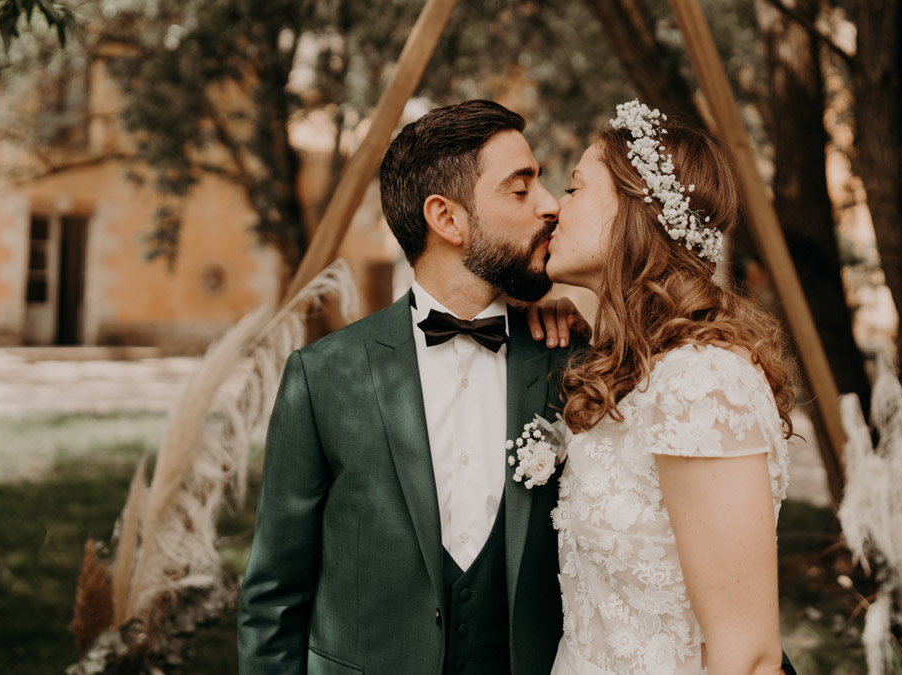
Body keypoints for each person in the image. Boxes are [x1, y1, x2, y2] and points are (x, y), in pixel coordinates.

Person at [238, 99, 577, 674]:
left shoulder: (569, 362)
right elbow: (274, 597)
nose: (550, 206)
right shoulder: (322, 377)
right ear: (447, 219)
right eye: (520, 190)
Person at [541, 100, 797, 675]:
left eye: (575, 188)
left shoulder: (702, 384)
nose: (555, 207)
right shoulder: (631, 372)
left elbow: (749, 656)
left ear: (638, 211)